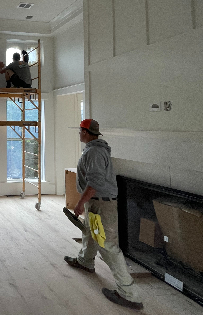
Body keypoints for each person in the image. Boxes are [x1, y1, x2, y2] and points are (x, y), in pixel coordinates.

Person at [64, 119, 143, 310]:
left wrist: (81, 202)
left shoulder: (94, 152)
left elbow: (95, 182)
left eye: (80, 130)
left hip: (102, 204)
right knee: (90, 232)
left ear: (86, 132)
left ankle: (129, 294)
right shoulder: (95, 149)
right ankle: (85, 261)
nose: (79, 134)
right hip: (98, 202)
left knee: (107, 245)